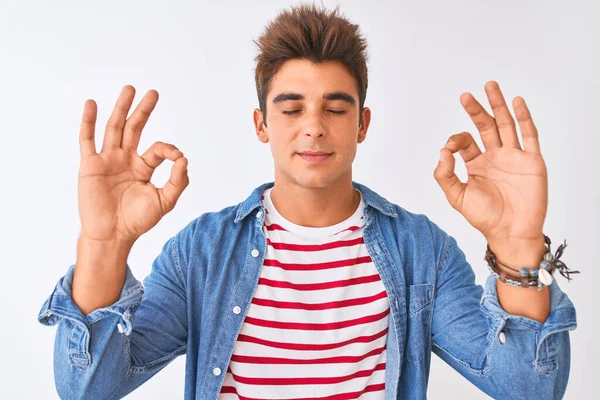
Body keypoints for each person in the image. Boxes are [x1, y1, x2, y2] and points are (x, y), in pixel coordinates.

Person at [38, 4, 578, 399]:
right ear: (262, 124)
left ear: (363, 123)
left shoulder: (421, 252)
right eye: (292, 108)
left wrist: (518, 244)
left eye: (336, 108)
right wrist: (103, 246)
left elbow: (528, 390)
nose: (314, 128)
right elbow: (88, 389)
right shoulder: (201, 253)